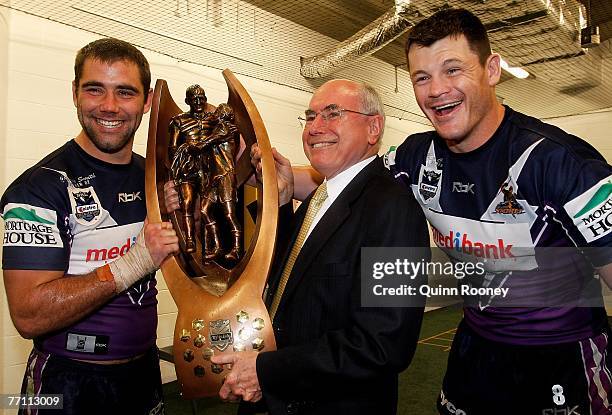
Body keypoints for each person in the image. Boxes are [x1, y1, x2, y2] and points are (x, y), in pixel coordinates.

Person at [257, 8, 612, 415]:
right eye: (422, 78)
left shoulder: (561, 162)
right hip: (474, 348)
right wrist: (277, 177)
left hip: (558, 355)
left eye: (453, 69)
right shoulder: (416, 155)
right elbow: (343, 185)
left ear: (492, 69)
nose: (437, 90)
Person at [209, 79, 430, 414]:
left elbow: (384, 343)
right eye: (310, 117)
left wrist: (266, 370)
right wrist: (282, 205)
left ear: (374, 128)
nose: (315, 128)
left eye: (332, 114)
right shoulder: (321, 197)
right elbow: (291, 284)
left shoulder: (394, 209)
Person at [1, 38, 179, 414]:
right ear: (75, 94)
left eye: (125, 92)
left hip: (143, 373)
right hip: (63, 381)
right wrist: (136, 261)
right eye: (94, 89)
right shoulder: (37, 189)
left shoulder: (154, 179)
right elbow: (29, 314)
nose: (110, 106)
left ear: (146, 102)